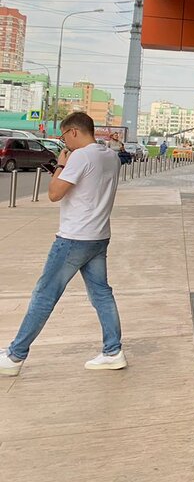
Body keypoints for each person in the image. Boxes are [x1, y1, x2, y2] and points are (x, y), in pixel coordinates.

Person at [0, 111, 126, 376]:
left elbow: (54, 194)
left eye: (64, 136)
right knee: (102, 294)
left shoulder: (80, 156)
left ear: (74, 132)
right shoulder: (110, 156)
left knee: (45, 295)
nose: (64, 142)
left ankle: (14, 356)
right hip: (99, 235)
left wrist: (59, 165)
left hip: (74, 237)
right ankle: (113, 351)